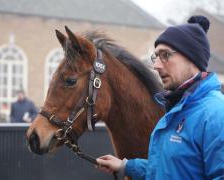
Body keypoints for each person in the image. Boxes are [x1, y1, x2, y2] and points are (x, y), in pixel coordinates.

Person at [96, 15, 224, 179]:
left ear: (191, 57)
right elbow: (166, 169)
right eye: (156, 56)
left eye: (165, 55)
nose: (156, 65)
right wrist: (125, 166)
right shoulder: (175, 111)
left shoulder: (216, 114)